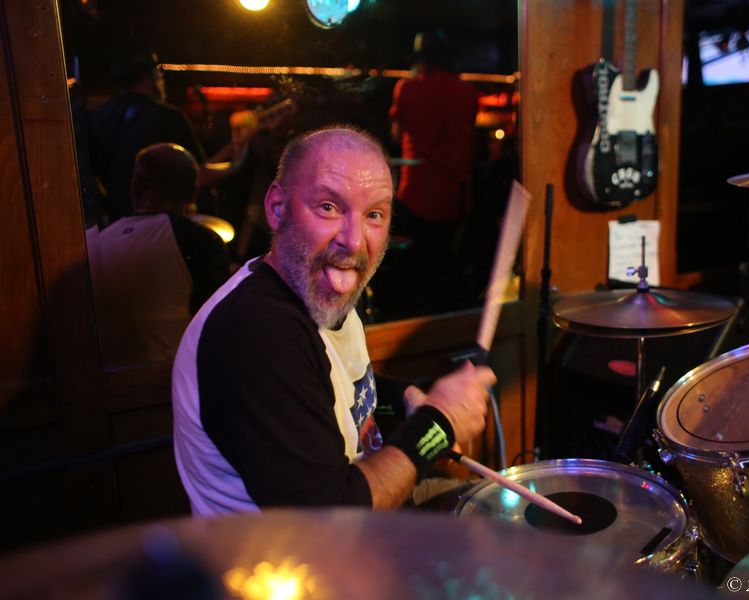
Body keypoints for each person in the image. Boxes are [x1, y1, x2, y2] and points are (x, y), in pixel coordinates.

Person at [172, 126, 496, 515]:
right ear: (277, 208)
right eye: (329, 207)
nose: (354, 241)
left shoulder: (314, 288)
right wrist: (438, 425)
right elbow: (330, 516)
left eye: (374, 214)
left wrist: (405, 397)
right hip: (294, 549)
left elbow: (333, 386)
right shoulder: (256, 331)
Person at [87, 143, 231, 366]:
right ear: (193, 192)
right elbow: (218, 326)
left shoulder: (96, 241)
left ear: (136, 185)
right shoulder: (198, 240)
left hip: (106, 379)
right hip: (172, 377)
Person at [90, 48, 245, 225]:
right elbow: (197, 175)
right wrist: (235, 165)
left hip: (117, 225)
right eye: (158, 73)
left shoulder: (101, 117)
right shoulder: (167, 117)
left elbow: (94, 178)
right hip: (159, 226)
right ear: (147, 78)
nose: (162, 78)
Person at [389, 30, 480, 311]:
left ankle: (424, 317)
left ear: (421, 60)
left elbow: (396, 135)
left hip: (417, 192)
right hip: (456, 195)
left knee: (422, 268)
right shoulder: (468, 92)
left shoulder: (407, 88)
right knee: (447, 265)